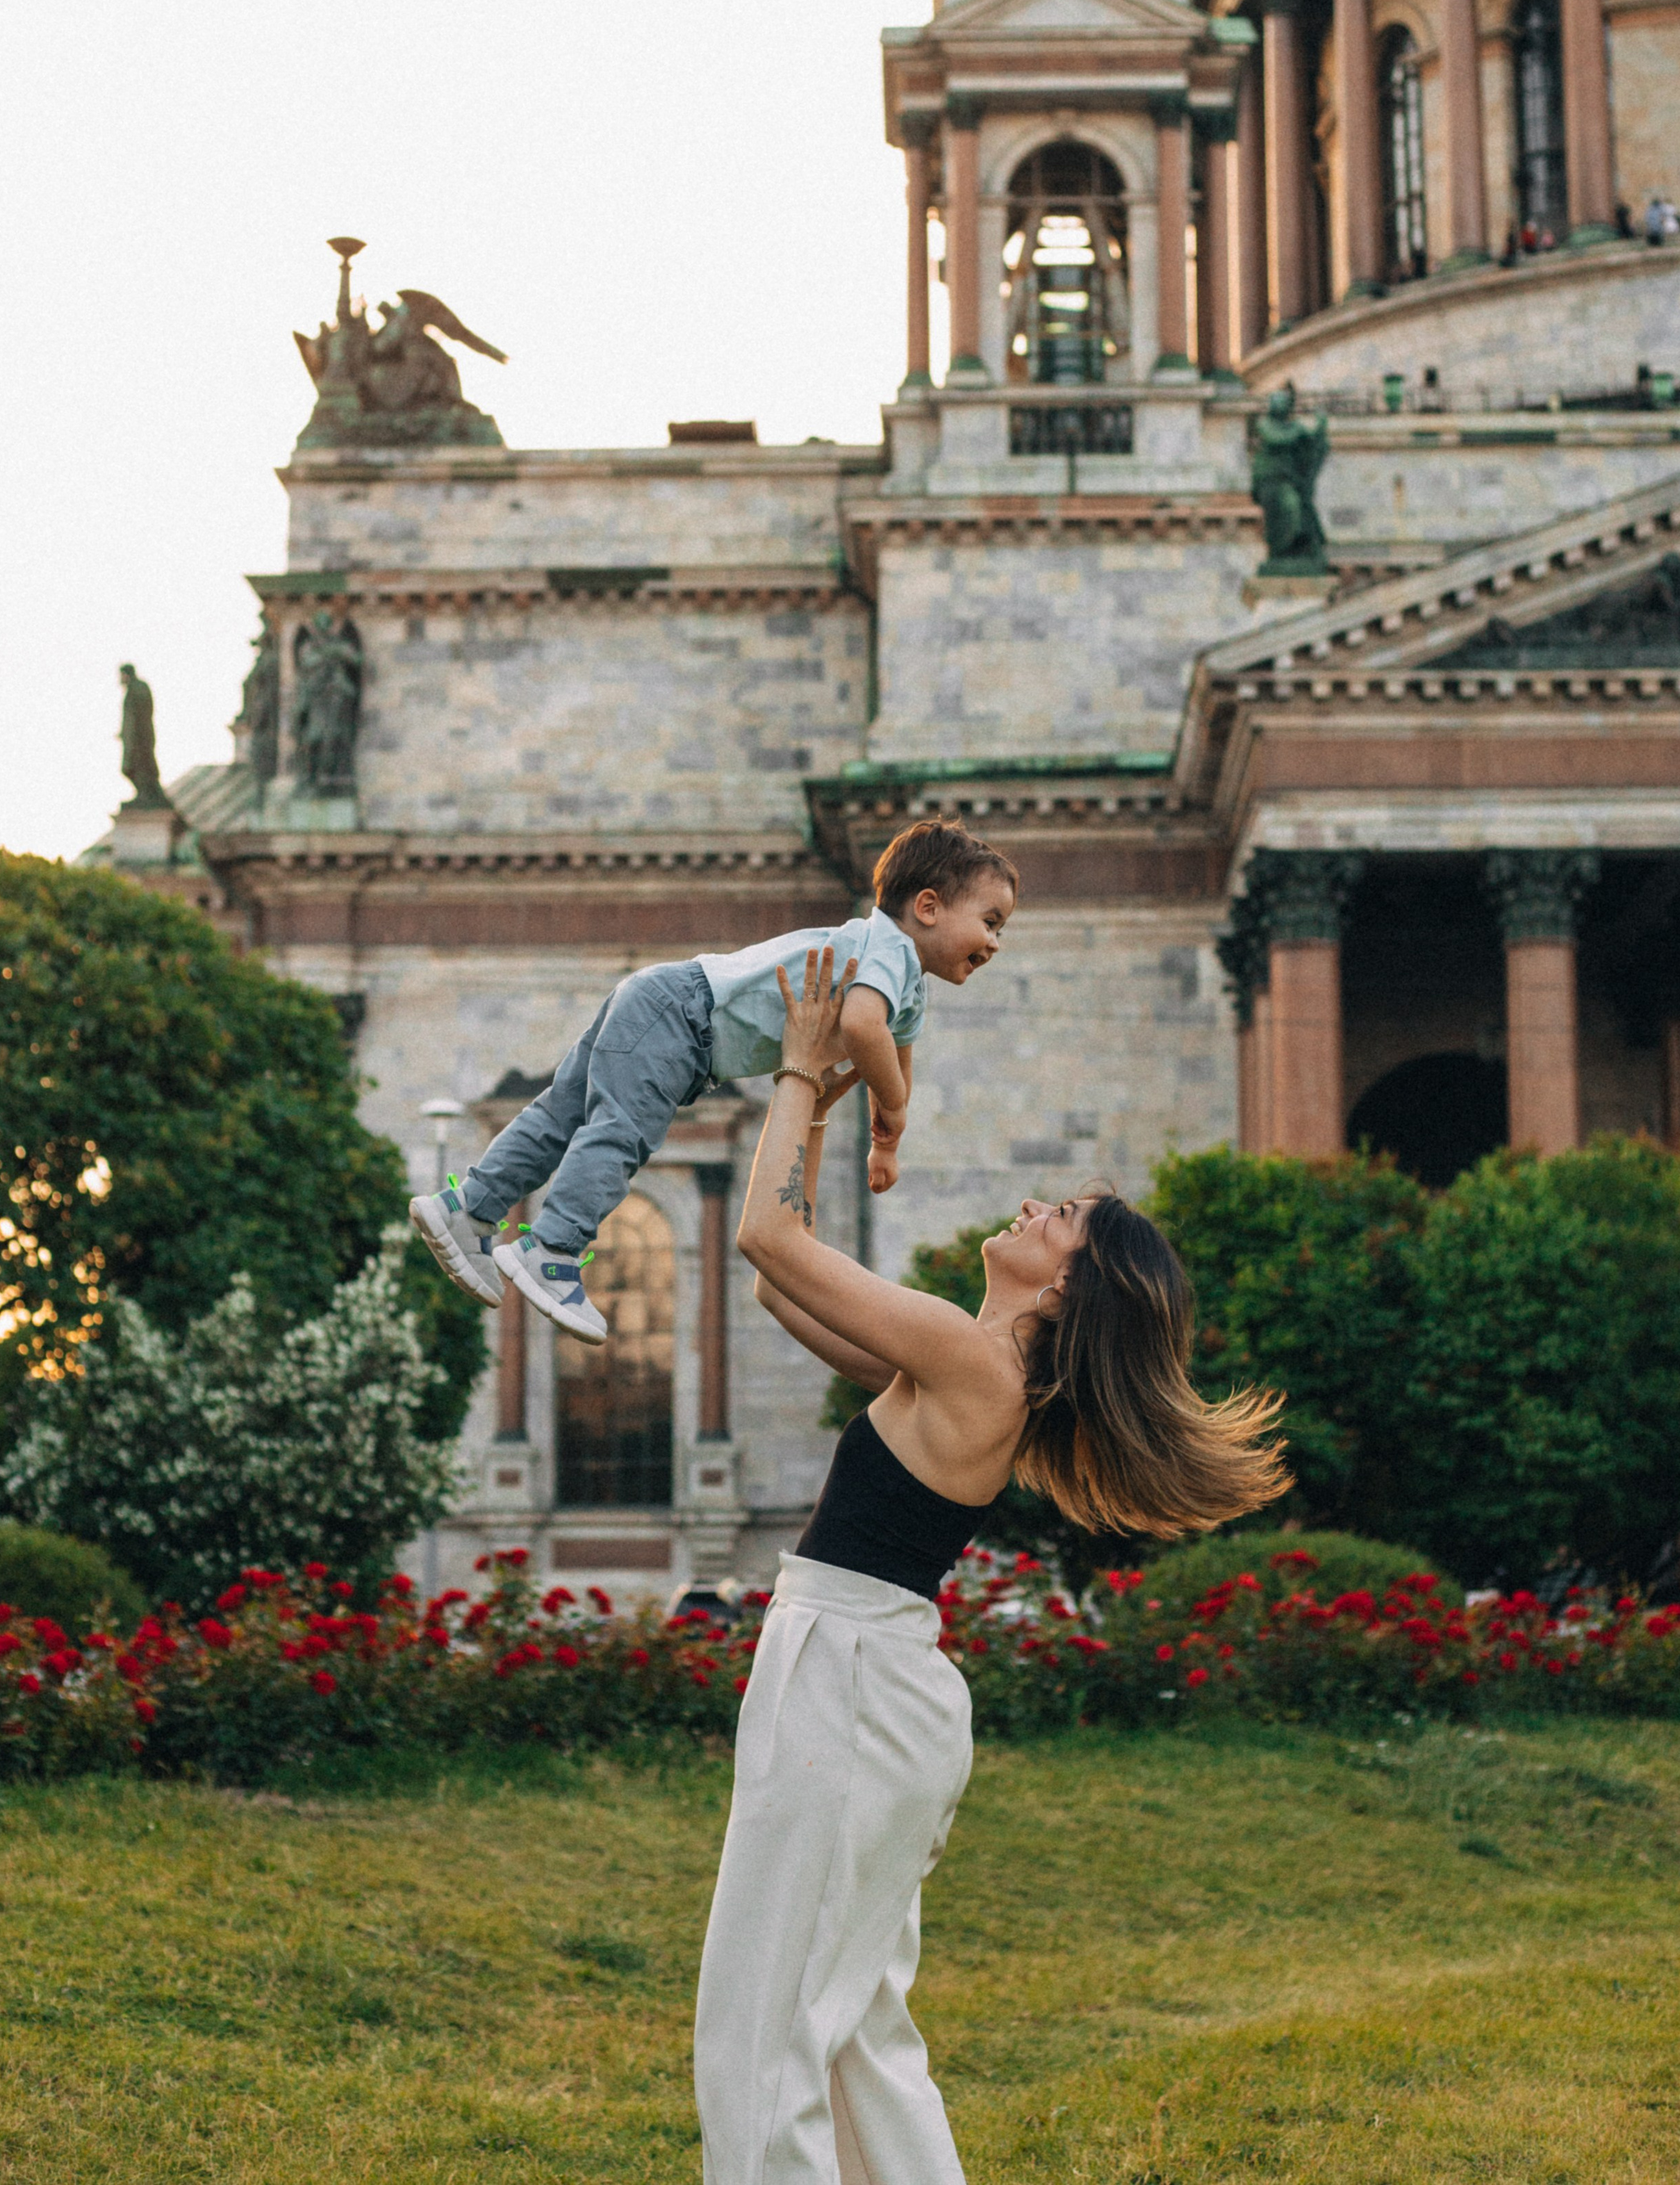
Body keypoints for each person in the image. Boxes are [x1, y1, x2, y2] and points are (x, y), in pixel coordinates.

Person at [694, 949, 1287, 2185]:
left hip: (852, 1679)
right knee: (849, 2025)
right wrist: (819, 1106)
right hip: (864, 1676)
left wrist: (805, 1070)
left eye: (1056, 1219)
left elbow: (757, 1232)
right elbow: (777, 1288)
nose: (1028, 1212)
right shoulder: (964, 1361)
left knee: (767, 2024)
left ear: (1070, 1285)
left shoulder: (975, 1367)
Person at [408, 819, 1019, 1346]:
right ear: (929, 907)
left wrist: (886, 1141)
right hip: (682, 1018)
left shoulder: (907, 992)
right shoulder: (887, 945)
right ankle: (553, 1249)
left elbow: (893, 1059)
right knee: (622, 1132)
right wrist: (894, 1106)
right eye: (990, 921)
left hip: (666, 1005)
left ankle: (466, 1208)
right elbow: (864, 1031)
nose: (994, 942)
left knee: (560, 1116)